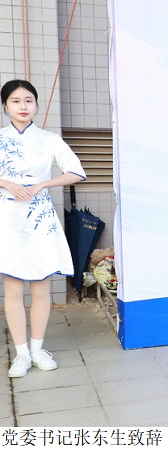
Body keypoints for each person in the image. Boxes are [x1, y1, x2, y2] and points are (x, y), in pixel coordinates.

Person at [0, 79, 86, 378]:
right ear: (5, 106)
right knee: (12, 289)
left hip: (39, 219)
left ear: (36, 104)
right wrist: (6, 182)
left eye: (29, 100)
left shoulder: (50, 139)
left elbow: (76, 172)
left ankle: (37, 349)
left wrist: (42, 185)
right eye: (15, 101)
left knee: (40, 287)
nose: (23, 106)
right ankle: (21, 354)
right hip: (8, 219)